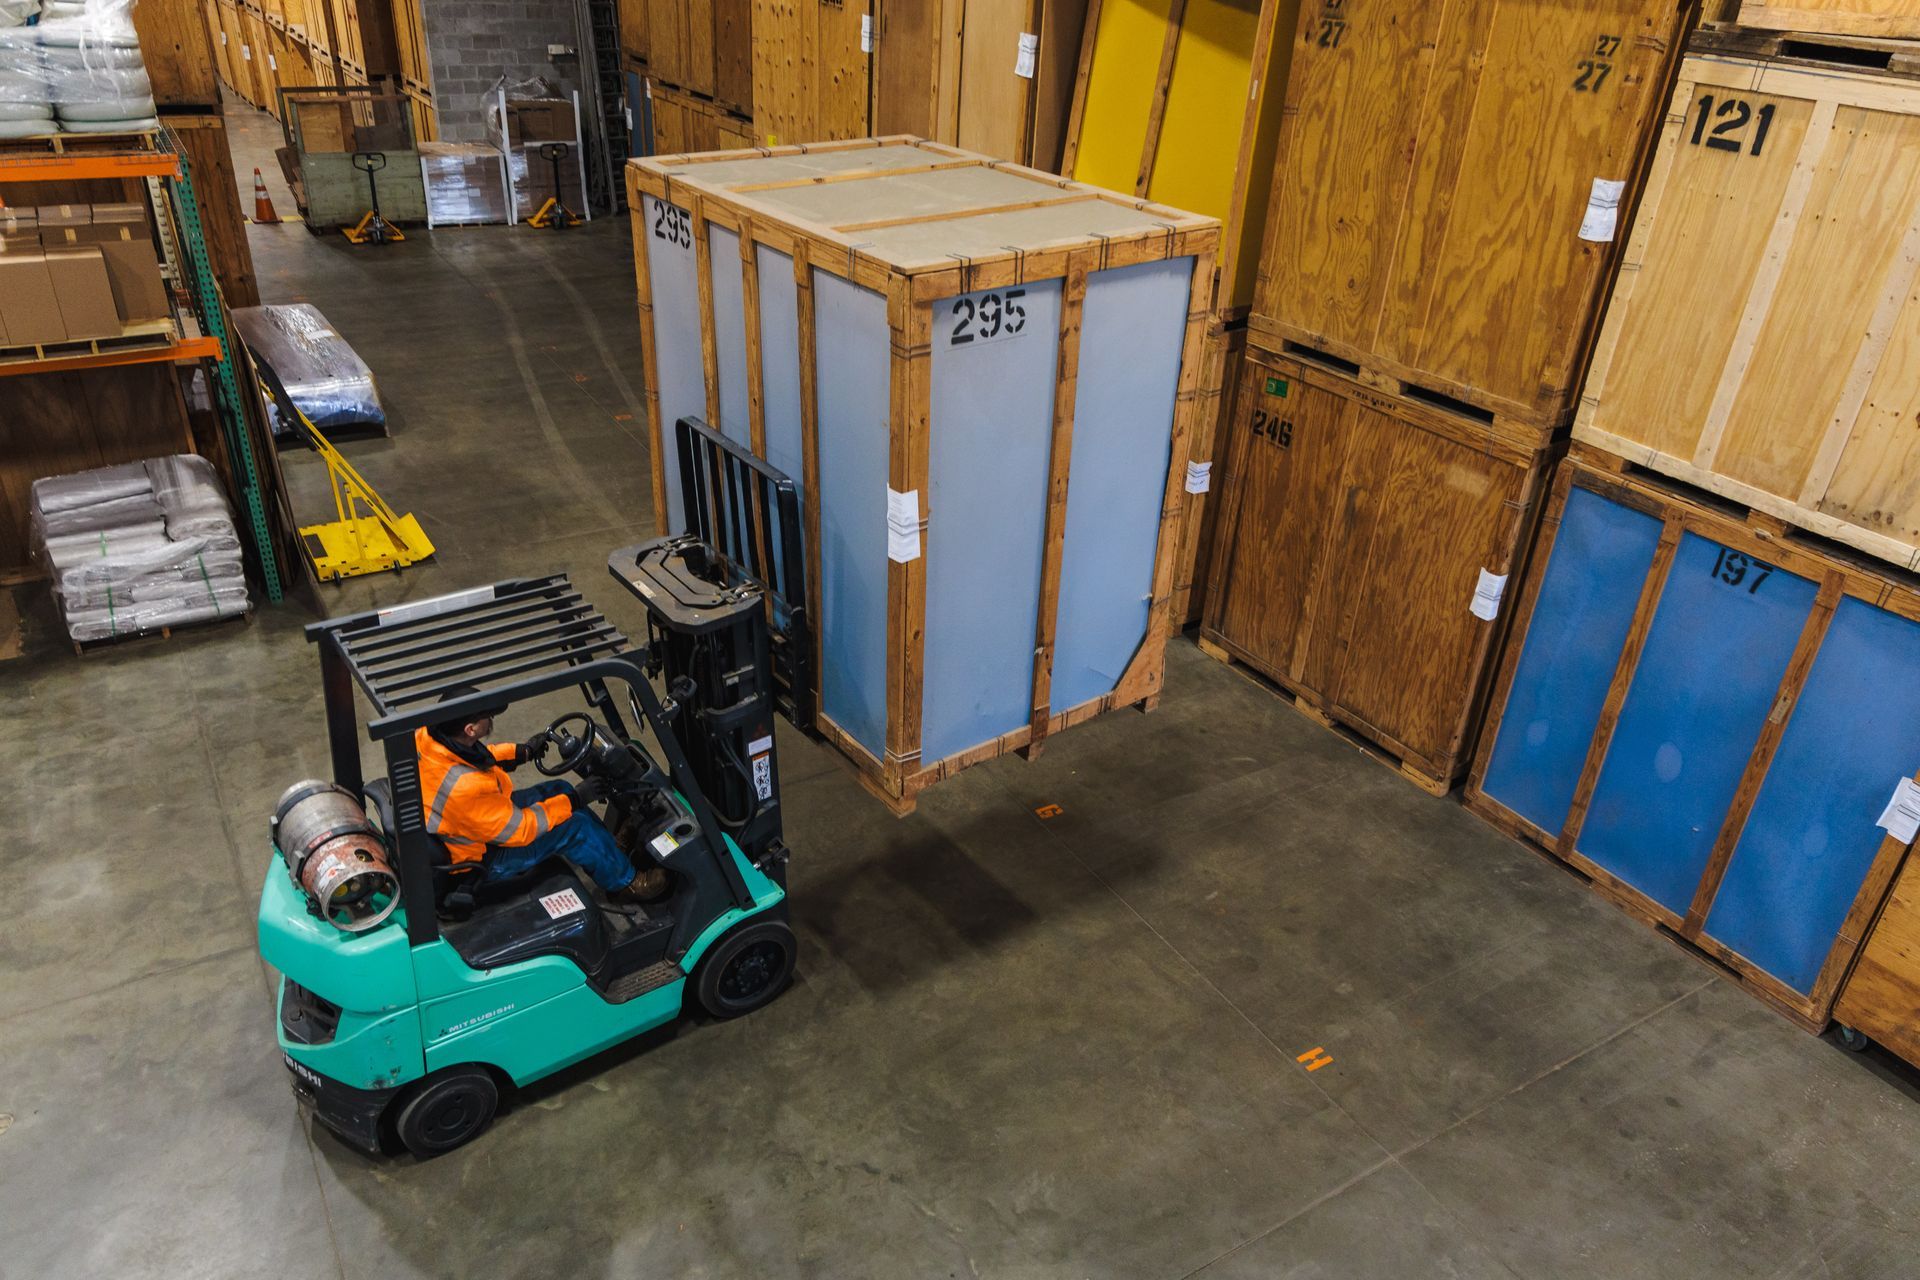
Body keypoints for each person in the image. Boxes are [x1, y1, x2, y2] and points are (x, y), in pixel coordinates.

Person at [414, 686, 645, 900]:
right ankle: (626, 883)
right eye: (487, 716)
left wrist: (521, 752)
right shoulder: (466, 788)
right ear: (470, 729)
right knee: (575, 826)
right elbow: (522, 830)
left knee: (559, 789)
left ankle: (611, 853)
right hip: (485, 857)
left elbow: (472, 758)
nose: (491, 718)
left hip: (476, 821)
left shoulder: (428, 735)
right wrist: (576, 799)